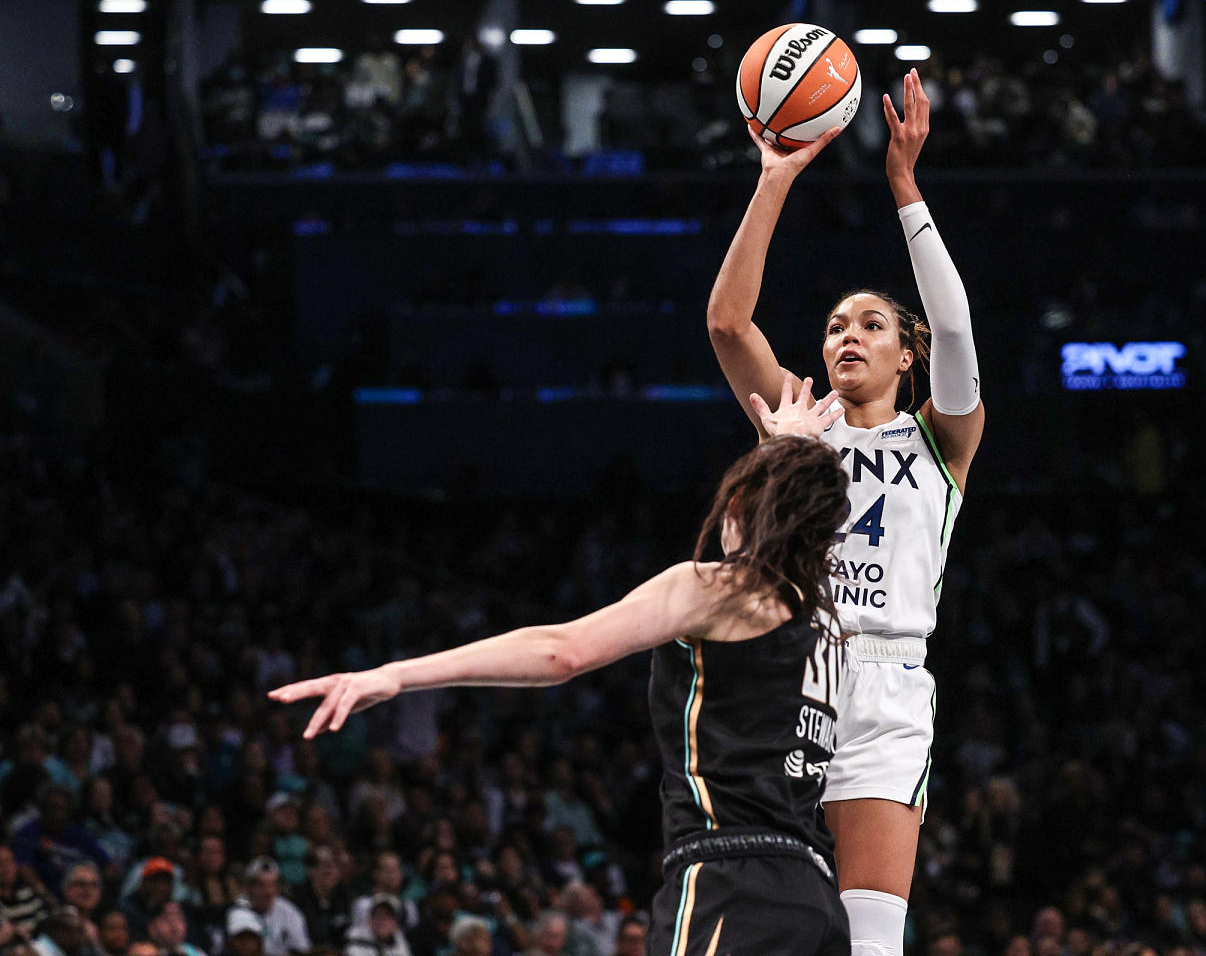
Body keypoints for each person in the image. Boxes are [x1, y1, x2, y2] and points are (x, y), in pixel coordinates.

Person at [270, 386, 852, 956]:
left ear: (744, 506)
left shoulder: (720, 589)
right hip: (818, 899)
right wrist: (789, 448)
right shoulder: (830, 628)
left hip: (732, 884)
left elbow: (561, 651)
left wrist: (398, 675)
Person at [706, 67, 984, 956]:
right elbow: (725, 324)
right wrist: (773, 179)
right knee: (771, 928)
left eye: (869, 324)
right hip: (795, 672)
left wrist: (905, 189)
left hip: (891, 687)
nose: (846, 336)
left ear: (908, 354)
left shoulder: (941, 441)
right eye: (833, 326)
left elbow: (959, 330)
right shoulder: (796, 423)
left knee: (870, 939)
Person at [225, 858, 310, 956]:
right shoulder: (237, 909)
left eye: (272, 885)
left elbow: (302, 948)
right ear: (249, 887)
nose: (268, 892)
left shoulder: (289, 911)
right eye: (261, 885)